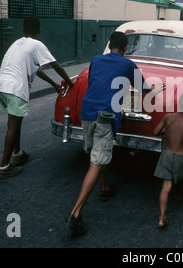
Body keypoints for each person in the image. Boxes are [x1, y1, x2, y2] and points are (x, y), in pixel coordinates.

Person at [65, 31, 163, 235]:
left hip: (86, 112)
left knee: (97, 155)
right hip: (105, 116)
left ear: (109, 45)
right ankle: (75, 214)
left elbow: (96, 83)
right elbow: (144, 90)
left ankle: (105, 188)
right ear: (126, 48)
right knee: (97, 161)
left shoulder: (96, 60)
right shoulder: (127, 64)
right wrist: (158, 88)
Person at [0, 17, 75, 179]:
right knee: (12, 126)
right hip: (16, 88)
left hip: (1, 85)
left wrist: (54, 84)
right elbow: (56, 65)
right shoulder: (37, 45)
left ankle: (17, 154)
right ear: (39, 31)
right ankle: (3, 167)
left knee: (16, 123)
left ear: (23, 30)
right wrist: (69, 83)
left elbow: (37, 70)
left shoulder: (18, 43)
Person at [153, 92, 183, 228]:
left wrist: (165, 131)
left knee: (166, 187)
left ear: (179, 103)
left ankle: (161, 218)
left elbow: (155, 132)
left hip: (167, 154)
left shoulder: (168, 117)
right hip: (181, 156)